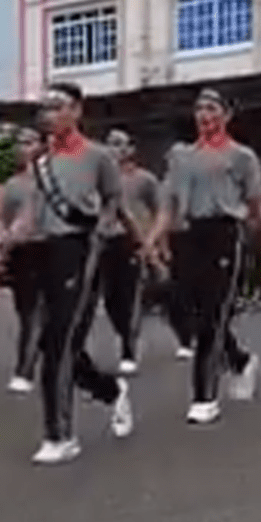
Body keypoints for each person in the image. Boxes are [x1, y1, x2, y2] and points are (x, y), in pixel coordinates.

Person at [146, 88, 261, 425]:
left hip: (225, 234)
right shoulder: (181, 157)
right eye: (199, 109)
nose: (204, 115)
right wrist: (153, 238)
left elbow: (257, 210)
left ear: (226, 115)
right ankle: (240, 360)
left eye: (211, 108)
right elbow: (168, 204)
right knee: (189, 312)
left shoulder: (241, 157)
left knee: (213, 314)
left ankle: (204, 397)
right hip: (188, 235)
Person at [27, 82, 133, 465]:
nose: (50, 114)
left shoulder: (97, 156)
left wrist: (105, 228)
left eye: (58, 106)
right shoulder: (40, 161)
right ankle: (110, 390)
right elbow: (31, 211)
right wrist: (3, 240)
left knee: (61, 342)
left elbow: (113, 198)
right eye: (46, 108)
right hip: (45, 251)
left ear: (76, 110)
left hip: (81, 249)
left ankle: (59, 436)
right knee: (49, 341)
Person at [102, 129, 161, 375]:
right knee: (110, 299)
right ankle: (125, 333)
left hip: (130, 240)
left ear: (130, 149)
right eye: (110, 144)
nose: (114, 149)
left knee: (129, 296)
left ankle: (128, 349)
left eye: (119, 144)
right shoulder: (99, 177)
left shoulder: (145, 179)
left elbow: (158, 210)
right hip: (104, 241)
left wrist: (155, 243)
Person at [1, 126, 46, 394]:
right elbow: (5, 221)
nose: (23, 148)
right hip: (24, 253)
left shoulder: (53, 179)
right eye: (19, 143)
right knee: (28, 313)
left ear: (40, 146)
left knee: (43, 314)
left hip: (52, 248)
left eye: (29, 142)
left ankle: (25, 369)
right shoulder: (12, 185)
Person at [162, 141, 197, 360]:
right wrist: (163, 246)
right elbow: (163, 216)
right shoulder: (167, 184)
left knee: (198, 291)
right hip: (177, 238)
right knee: (176, 293)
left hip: (197, 237)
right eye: (173, 157)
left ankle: (199, 333)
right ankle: (185, 338)